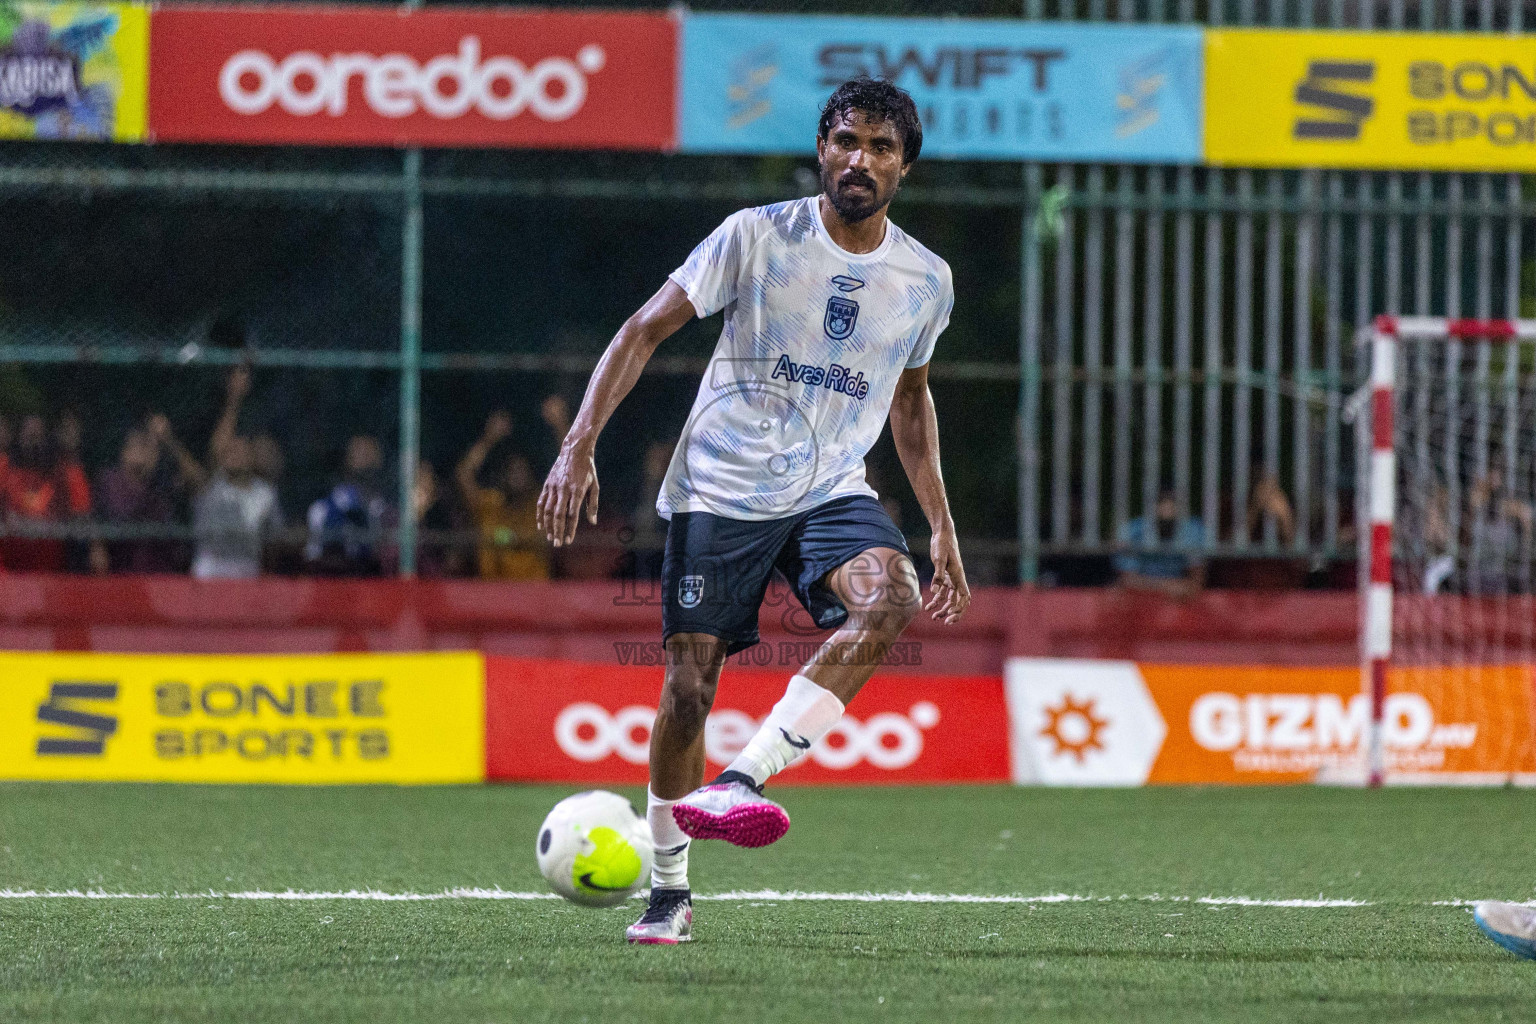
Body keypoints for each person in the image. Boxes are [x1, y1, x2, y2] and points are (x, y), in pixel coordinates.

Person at [537, 77, 967, 944]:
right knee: (690, 688)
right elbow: (642, 330)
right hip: (720, 486)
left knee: (889, 597)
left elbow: (912, 404)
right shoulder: (756, 236)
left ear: (905, 168)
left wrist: (941, 525)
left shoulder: (926, 280)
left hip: (831, 486)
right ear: (821, 148)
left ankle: (744, 780)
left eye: (881, 148)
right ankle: (668, 891)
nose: (860, 159)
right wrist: (577, 443)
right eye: (846, 140)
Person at [96, 414, 205, 573]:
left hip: (162, 574)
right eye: (138, 445)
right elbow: (123, 516)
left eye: (147, 446)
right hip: (122, 570)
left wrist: (168, 440)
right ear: (124, 452)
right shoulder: (110, 480)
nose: (143, 451)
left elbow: (199, 481)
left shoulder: (163, 480)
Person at [456, 411, 549, 580]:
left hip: (534, 597)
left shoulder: (540, 505)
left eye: (522, 471)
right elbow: (464, 475)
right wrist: (489, 439)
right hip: (493, 596)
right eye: (512, 471)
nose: (517, 476)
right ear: (503, 476)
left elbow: (572, 480)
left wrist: (560, 425)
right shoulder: (491, 504)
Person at [0, 414, 92, 572]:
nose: (33, 445)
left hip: (52, 568)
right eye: (29, 437)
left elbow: (82, 514)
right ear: (19, 437)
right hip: (8, 568)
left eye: (38, 437)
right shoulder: (4, 468)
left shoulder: (66, 472)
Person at [304, 435, 391, 576]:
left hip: (374, 587)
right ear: (347, 460)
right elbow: (314, 558)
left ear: (379, 460)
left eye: (369, 454)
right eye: (359, 453)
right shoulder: (322, 509)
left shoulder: (388, 511)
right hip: (333, 585)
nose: (365, 460)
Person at [1115, 488, 1206, 598]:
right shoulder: (1131, 531)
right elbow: (1127, 579)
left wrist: (1185, 588)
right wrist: (1166, 586)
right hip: (1139, 596)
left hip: (1179, 594)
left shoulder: (1193, 530)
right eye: (1161, 520)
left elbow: (1196, 579)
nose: (1166, 518)